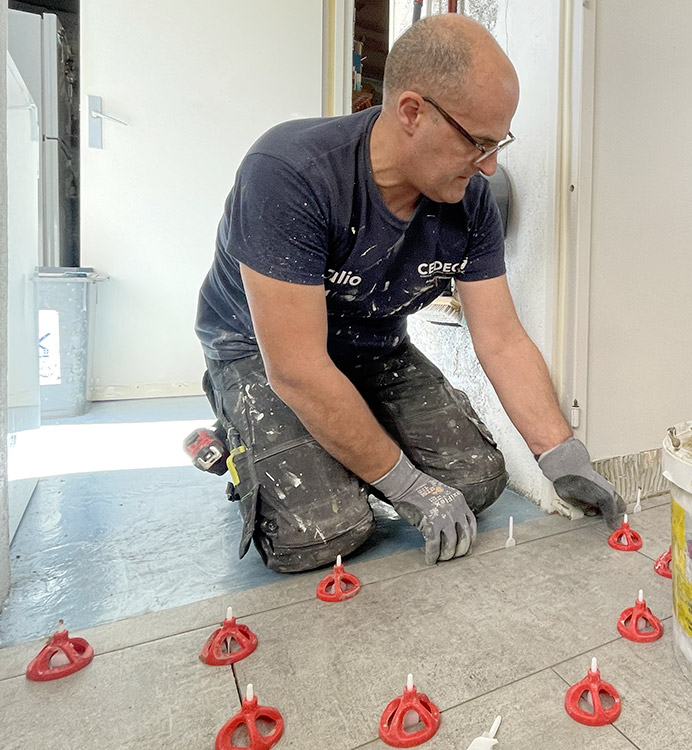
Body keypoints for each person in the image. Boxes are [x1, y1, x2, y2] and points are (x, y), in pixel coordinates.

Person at [192, 14, 625, 574]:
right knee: (323, 533)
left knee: (477, 480)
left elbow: (500, 338)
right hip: (261, 355)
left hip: (373, 348)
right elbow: (297, 367)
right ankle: (243, 439)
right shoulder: (289, 173)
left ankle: (340, 441)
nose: (491, 165)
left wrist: (562, 454)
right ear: (413, 112)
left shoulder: (471, 202)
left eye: (500, 144)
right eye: (478, 143)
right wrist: (407, 485)